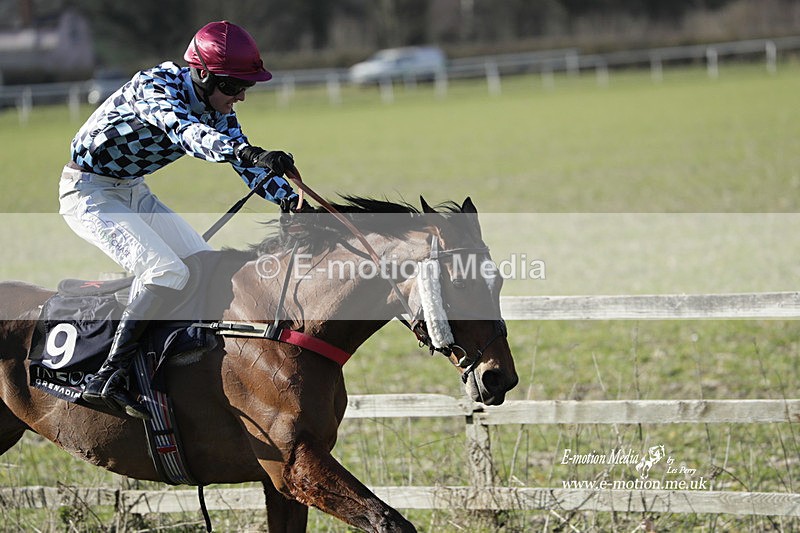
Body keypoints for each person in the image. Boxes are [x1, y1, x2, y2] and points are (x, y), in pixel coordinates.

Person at [59, 21, 299, 420]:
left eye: (247, 88)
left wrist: (291, 201)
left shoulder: (214, 103)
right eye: (233, 86)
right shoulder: (155, 87)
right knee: (165, 272)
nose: (240, 96)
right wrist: (247, 154)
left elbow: (246, 164)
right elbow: (187, 133)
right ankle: (107, 377)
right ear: (202, 74)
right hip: (88, 193)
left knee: (206, 265)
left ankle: (180, 369)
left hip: (132, 191)